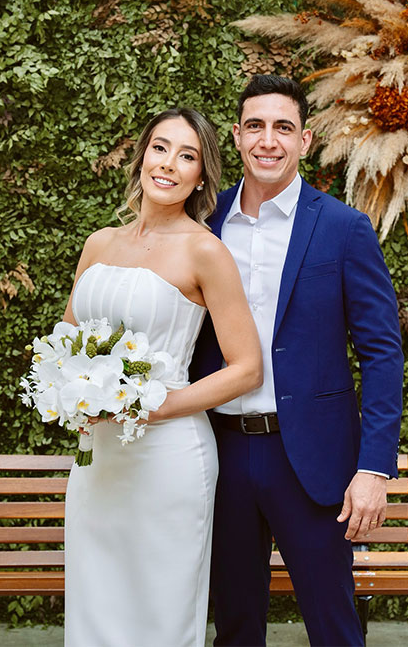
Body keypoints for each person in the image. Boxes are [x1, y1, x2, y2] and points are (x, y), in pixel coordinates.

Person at [189, 74, 404, 647]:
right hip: (221, 452)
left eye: (283, 127)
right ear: (236, 136)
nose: (268, 140)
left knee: (333, 626)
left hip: (312, 461)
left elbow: (382, 352)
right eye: (255, 126)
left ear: (304, 141)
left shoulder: (343, 228)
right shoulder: (202, 226)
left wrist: (374, 468)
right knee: (233, 625)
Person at [61, 108, 264, 646]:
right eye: (160, 147)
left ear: (201, 175)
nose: (169, 164)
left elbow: (246, 368)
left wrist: (153, 406)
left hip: (169, 456)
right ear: (143, 155)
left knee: (160, 612)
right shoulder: (99, 244)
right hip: (97, 454)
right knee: (95, 602)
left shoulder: (205, 251)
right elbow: (67, 341)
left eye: (187, 156)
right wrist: (70, 393)